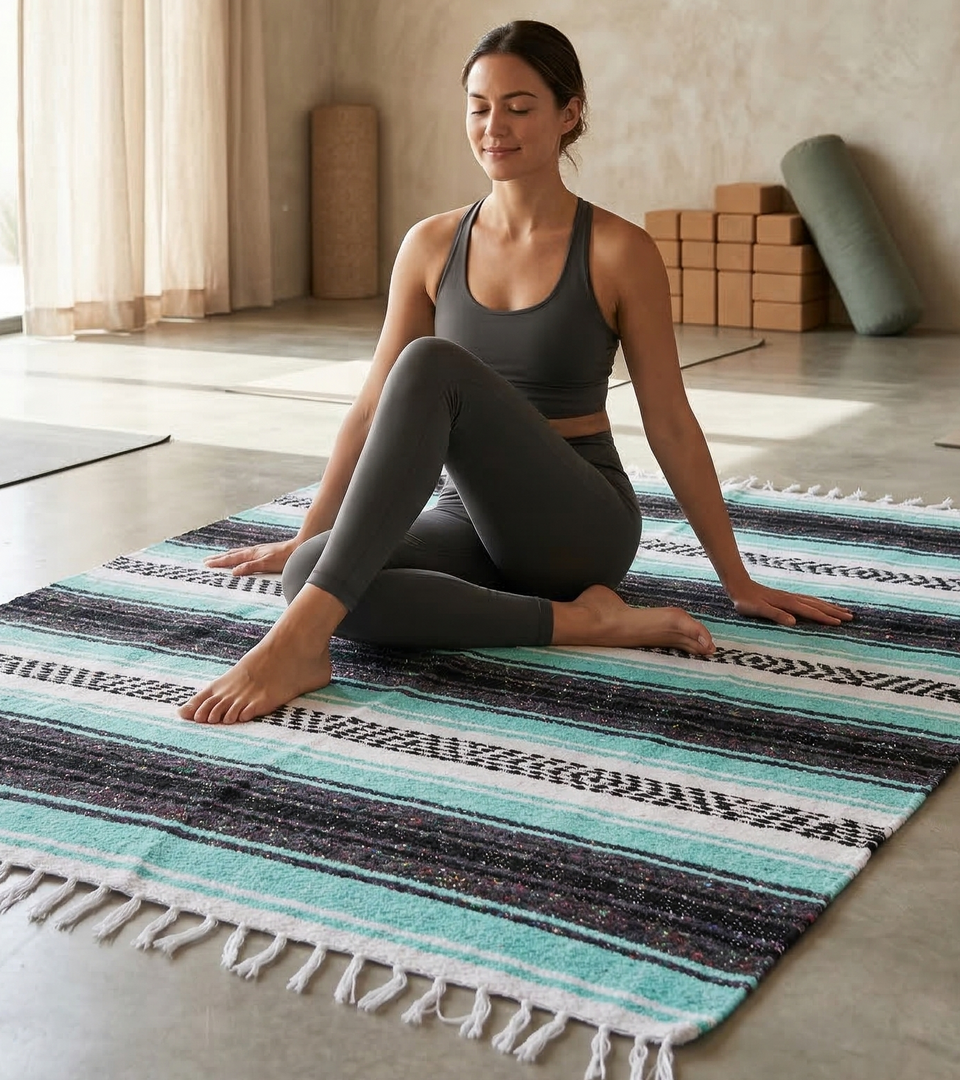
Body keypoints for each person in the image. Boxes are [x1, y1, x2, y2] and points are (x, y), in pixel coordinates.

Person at [179, 20, 851, 727]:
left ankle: (295, 645)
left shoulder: (619, 251)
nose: (494, 126)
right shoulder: (431, 244)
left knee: (433, 364)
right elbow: (372, 408)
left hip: (577, 524)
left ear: (569, 114)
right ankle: (588, 624)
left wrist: (736, 579)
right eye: (479, 106)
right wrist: (307, 533)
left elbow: (671, 422)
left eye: (520, 106)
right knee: (307, 577)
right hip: (469, 518)